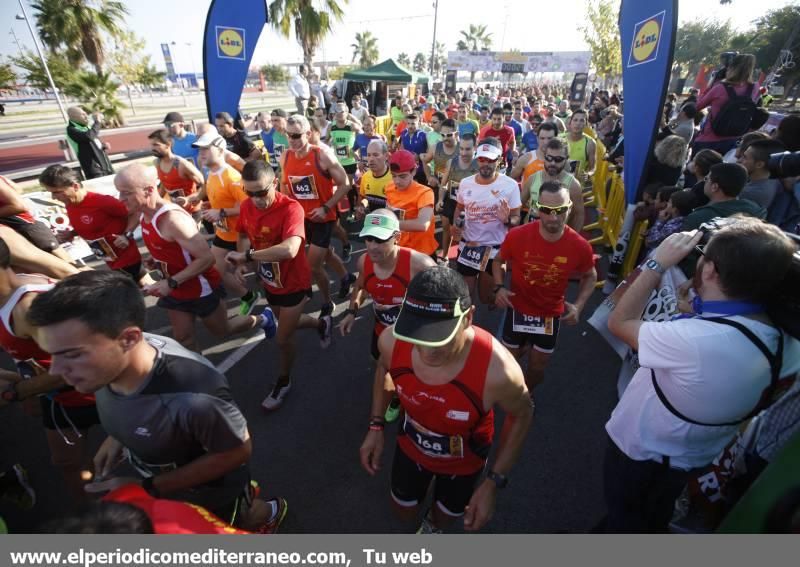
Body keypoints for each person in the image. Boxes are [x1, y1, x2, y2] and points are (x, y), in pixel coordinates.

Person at [28, 270, 288, 533]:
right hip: (171, 483)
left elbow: (236, 452)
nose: (56, 371)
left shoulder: (193, 397)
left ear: (129, 339)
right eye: (53, 355)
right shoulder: (110, 363)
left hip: (211, 493)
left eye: (72, 355)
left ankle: (265, 513)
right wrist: (117, 437)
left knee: (239, 519)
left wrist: (147, 488)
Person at [604, 219, 800, 532]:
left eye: (702, 254)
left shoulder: (696, 341)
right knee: (645, 515)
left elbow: (620, 322)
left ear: (709, 270)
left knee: (627, 517)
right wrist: (698, 303)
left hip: (642, 453)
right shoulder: (787, 340)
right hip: (693, 454)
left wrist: (657, 262)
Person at [359, 266, 533, 533]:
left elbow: (522, 414)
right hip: (410, 447)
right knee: (402, 511)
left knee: (443, 518)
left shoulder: (499, 371)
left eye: (439, 336)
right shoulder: (392, 341)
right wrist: (376, 425)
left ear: (468, 318)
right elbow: (384, 368)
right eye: (418, 333)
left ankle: (432, 525)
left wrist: (493, 482)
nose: (427, 349)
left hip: (464, 462)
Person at [115, 163, 271, 352]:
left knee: (223, 330)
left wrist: (170, 282)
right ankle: (202, 379)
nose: (120, 198)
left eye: (125, 193)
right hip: (176, 287)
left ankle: (264, 319)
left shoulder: (172, 220)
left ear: (148, 190)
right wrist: (158, 261)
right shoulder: (143, 214)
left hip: (200, 287)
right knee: (183, 339)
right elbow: (175, 250)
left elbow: (207, 259)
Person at [0, 237, 99, 504]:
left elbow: (83, 363)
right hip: (60, 398)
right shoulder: (8, 297)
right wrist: (12, 380)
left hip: (95, 394)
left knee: (139, 453)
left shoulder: (27, 307)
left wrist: (16, 392)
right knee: (66, 462)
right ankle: (96, 521)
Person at [226, 161, 332, 411]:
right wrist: (242, 262)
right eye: (249, 193)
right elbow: (241, 234)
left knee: (283, 338)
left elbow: (290, 249)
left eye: (261, 192)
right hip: (269, 280)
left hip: (294, 282)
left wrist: (248, 257)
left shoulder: (291, 208)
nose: (256, 199)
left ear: (274, 183)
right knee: (287, 321)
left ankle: (283, 381)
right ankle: (321, 323)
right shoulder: (246, 206)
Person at [492, 181, 596, 390]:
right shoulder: (518, 235)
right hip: (517, 309)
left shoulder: (579, 246)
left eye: (560, 210)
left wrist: (579, 305)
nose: (553, 217)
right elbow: (498, 261)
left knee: (538, 367)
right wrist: (498, 287)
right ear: (537, 208)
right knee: (507, 361)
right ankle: (509, 391)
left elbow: (590, 275)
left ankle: (526, 395)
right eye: (547, 210)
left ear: (569, 208)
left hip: (549, 315)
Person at [337, 210, 435, 421]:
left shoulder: (420, 265)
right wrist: (352, 311)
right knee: (379, 362)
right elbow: (361, 286)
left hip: (413, 336)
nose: (372, 246)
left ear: (397, 237)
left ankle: (401, 399)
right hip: (382, 329)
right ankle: (399, 391)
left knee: (401, 370)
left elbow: (444, 303)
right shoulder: (364, 261)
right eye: (368, 239)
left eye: (380, 239)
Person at [279, 114, 355, 316]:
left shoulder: (322, 155)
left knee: (313, 265)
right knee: (327, 254)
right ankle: (345, 276)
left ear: (308, 133)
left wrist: (326, 207)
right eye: (288, 135)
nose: (292, 140)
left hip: (323, 219)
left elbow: (346, 184)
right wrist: (284, 211)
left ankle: (327, 302)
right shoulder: (285, 156)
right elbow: (284, 185)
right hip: (301, 219)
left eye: (296, 135)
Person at [187, 128, 261, 316]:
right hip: (223, 233)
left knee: (258, 268)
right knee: (216, 270)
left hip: (241, 235)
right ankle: (248, 296)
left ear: (220, 149)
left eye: (205, 149)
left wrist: (220, 212)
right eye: (199, 149)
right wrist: (205, 203)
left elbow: (250, 207)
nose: (201, 153)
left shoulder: (232, 177)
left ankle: (282, 289)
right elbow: (217, 195)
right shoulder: (211, 173)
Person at [38, 165, 143, 281]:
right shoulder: (71, 204)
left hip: (127, 259)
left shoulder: (102, 202)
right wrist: (72, 234)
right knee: (143, 286)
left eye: (57, 192)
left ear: (75, 186)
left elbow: (136, 212)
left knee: (131, 291)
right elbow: (93, 224)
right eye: (51, 193)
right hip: (109, 259)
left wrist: (126, 235)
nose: (53, 197)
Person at [451, 138, 521, 305]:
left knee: (487, 299)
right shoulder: (465, 183)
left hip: (494, 251)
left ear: (500, 160)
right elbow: (459, 210)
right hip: (468, 247)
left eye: (491, 160)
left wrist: (507, 220)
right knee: (464, 299)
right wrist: (456, 225)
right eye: (482, 159)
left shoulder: (510, 185)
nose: (485, 164)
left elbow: (517, 219)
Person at [0, 175, 74, 265]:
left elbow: (20, 206)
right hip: (19, 231)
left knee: (68, 265)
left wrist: (7, 201)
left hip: (28, 227)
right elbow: (18, 189)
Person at [693, 54, 758, 156]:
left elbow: (698, 106)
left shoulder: (720, 88)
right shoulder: (754, 88)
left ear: (731, 68)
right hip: (733, 140)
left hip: (708, 140)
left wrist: (711, 85)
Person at [522, 138, 585, 231]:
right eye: (549, 158)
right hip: (531, 234)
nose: (552, 163)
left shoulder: (573, 185)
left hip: (556, 237)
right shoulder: (532, 179)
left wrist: (570, 239)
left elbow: (579, 215)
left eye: (558, 159)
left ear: (566, 159)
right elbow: (519, 205)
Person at [384, 150, 438, 259]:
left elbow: (423, 224)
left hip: (422, 252)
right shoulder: (389, 188)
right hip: (400, 247)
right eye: (394, 176)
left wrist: (387, 223)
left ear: (414, 171)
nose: (397, 181)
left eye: (402, 176)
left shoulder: (425, 192)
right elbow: (389, 211)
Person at [437, 133, 480, 262]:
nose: (464, 152)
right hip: (451, 201)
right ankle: (445, 256)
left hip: (468, 205)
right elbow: (443, 184)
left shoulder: (479, 165)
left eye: (468, 149)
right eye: (461, 148)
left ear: (475, 147)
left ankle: (465, 260)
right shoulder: (452, 162)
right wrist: (440, 199)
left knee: (465, 234)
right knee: (446, 229)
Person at [148, 129, 204, 219]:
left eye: (156, 145)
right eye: (151, 145)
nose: (152, 148)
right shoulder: (157, 163)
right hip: (176, 211)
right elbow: (165, 184)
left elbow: (204, 185)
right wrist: (156, 201)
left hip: (192, 211)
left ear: (168, 144)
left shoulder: (182, 165)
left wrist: (188, 199)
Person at [65, 106, 113, 180]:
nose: (86, 116)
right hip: (93, 169)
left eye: (86, 114)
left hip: (104, 164)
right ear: (73, 117)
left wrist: (103, 145)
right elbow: (88, 137)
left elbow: (92, 142)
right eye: (83, 114)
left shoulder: (87, 126)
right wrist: (97, 122)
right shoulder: (71, 129)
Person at [737, 138, 786, 210]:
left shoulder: (750, 193)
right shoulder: (774, 179)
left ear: (759, 164)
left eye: (745, 157)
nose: (739, 160)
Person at [357, 139, 392, 213]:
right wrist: (362, 206)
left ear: (386, 156)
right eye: (369, 155)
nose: (371, 159)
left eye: (376, 155)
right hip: (370, 222)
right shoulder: (365, 176)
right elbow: (364, 198)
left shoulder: (395, 179)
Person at [563, 109, 596, 180]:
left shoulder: (590, 143)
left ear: (586, 124)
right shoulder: (560, 138)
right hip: (559, 184)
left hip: (576, 186)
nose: (578, 123)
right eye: (575, 120)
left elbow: (592, 168)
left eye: (582, 120)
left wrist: (588, 174)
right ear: (570, 123)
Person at [260, 109, 290, 173]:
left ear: (286, 119)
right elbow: (279, 157)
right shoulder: (275, 135)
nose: (273, 123)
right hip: (282, 171)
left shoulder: (293, 134)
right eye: (272, 121)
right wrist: (278, 171)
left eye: (276, 120)